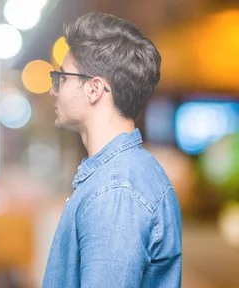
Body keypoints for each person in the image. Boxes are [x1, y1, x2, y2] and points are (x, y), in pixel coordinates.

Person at [42, 12, 182, 287]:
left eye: (62, 78)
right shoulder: (127, 175)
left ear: (94, 89)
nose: (53, 91)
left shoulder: (115, 192)